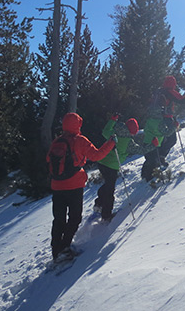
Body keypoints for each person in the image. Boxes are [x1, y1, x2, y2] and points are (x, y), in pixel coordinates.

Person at [47, 112, 116, 261]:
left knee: (58, 218)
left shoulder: (57, 141)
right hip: (74, 185)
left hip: (57, 186)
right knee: (74, 217)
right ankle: (64, 247)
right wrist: (111, 143)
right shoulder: (80, 140)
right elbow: (97, 155)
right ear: (77, 125)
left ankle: (56, 250)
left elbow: (49, 159)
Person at [93, 115, 156, 221]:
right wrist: (153, 145)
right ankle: (106, 215)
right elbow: (140, 150)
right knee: (110, 190)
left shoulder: (114, 132)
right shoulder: (128, 142)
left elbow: (105, 131)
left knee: (107, 185)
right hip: (112, 166)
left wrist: (112, 120)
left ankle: (99, 203)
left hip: (102, 161)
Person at [141, 75, 185, 180]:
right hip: (166, 118)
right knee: (171, 139)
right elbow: (182, 100)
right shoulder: (169, 91)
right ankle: (159, 159)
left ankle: (155, 163)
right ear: (173, 83)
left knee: (160, 141)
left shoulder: (159, 91)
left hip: (156, 119)